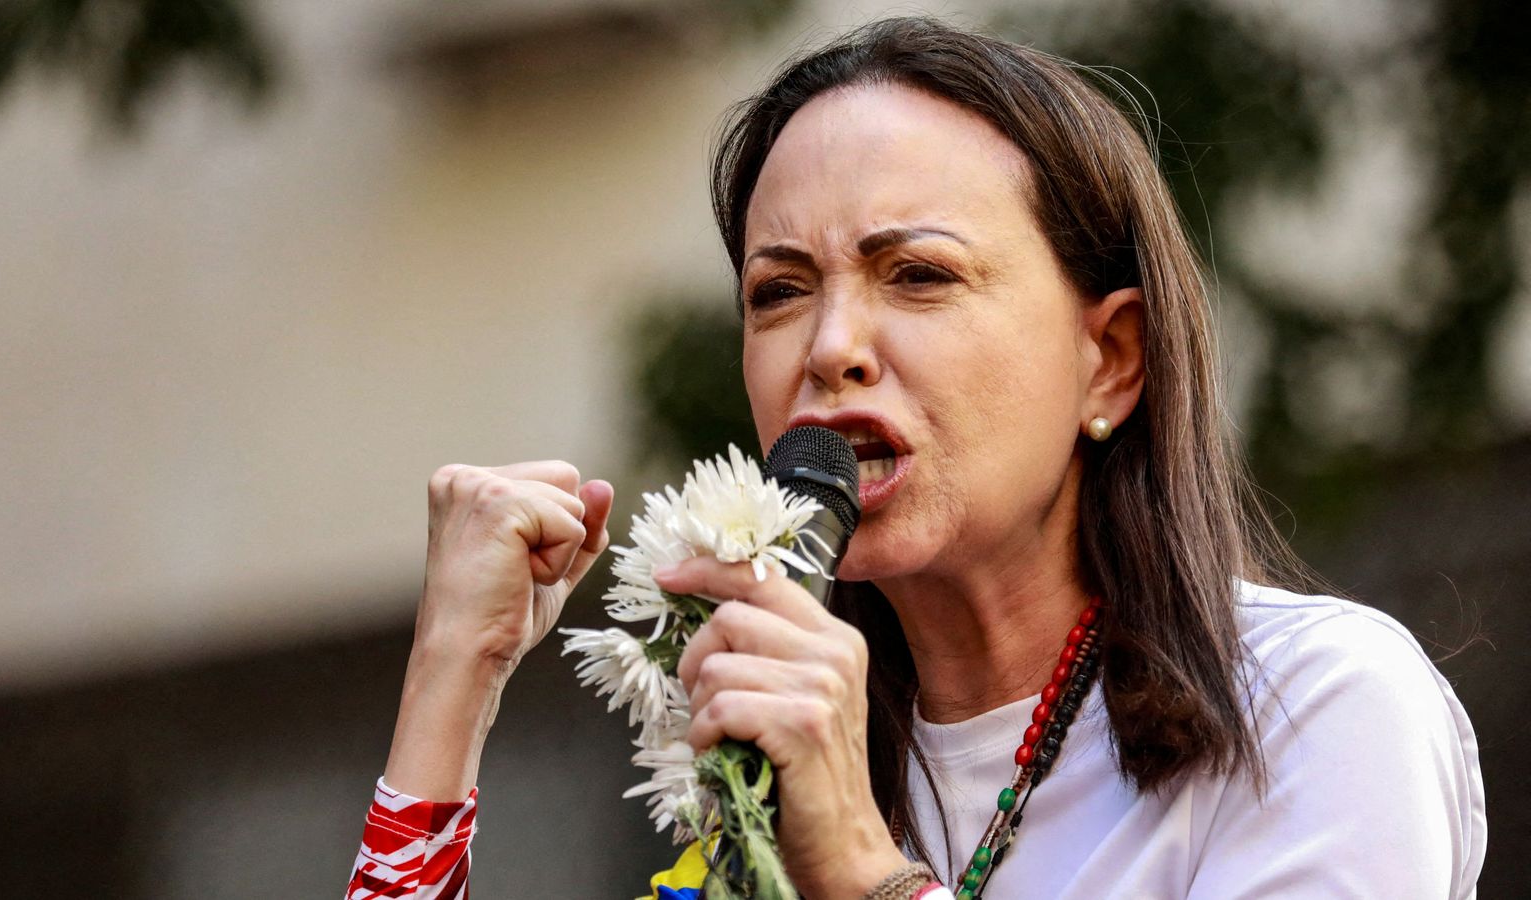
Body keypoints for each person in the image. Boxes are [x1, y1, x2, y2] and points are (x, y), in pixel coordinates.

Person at [344, 16, 1486, 900]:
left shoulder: (1315, 707)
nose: (830, 347)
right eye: (778, 291)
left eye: (919, 276)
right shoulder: (755, 783)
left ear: (1111, 360)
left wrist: (854, 858)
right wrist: (457, 672)